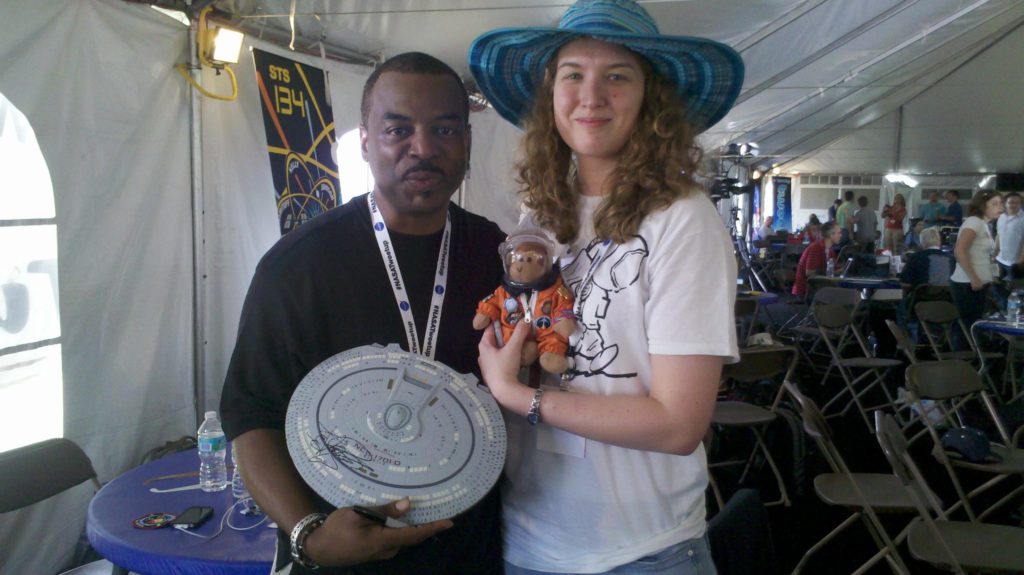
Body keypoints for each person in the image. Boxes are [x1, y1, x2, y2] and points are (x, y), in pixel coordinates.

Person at [468, 1, 742, 572]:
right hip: (528, 542)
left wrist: (519, 396)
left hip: (642, 553)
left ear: (651, 98)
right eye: (573, 75)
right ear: (551, 96)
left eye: (617, 76)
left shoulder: (682, 220)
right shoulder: (538, 215)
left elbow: (678, 424)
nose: (591, 96)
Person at [218, 52, 506, 575]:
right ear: (366, 141)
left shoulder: (498, 256)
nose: (422, 148)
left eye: (444, 129)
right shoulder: (298, 265)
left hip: (472, 555)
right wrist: (311, 534)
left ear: (466, 140)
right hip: (343, 557)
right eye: (398, 129)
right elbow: (250, 414)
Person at [949, 189, 1003, 348]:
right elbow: (959, 250)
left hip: (978, 282)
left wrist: (992, 274)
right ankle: (966, 361)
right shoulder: (974, 222)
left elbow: (986, 255)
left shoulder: (984, 224)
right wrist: (974, 278)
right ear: (982, 205)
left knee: (974, 325)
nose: (1000, 207)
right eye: (995, 204)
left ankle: (973, 360)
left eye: (1001, 203)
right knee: (968, 327)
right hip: (968, 283)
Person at [792, 221, 841, 299]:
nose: (840, 235)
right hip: (807, 290)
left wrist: (840, 269)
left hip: (819, 288)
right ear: (830, 234)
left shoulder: (830, 250)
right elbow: (809, 273)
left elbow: (833, 268)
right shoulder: (816, 248)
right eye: (838, 233)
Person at [996, 192, 1024, 281]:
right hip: (999, 259)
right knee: (995, 285)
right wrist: (994, 253)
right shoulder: (1001, 217)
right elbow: (998, 235)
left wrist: (1021, 260)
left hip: (1014, 262)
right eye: (1011, 202)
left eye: (1017, 203)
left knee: (1013, 290)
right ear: (1005, 203)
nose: (1014, 205)